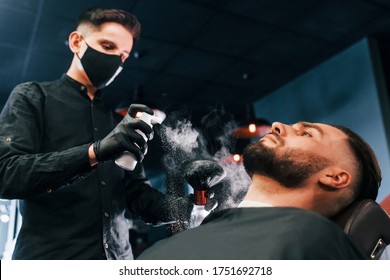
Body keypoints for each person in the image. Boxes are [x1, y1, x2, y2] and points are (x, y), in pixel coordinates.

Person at [0, 8, 192, 260]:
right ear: (77, 41)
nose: (116, 62)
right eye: (107, 46)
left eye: (123, 56)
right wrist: (95, 152)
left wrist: (182, 208)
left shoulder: (116, 121)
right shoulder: (32, 97)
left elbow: (136, 193)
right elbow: (6, 173)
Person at [137, 121, 382, 260]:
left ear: (334, 177)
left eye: (305, 133)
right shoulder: (198, 237)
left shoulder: (315, 242)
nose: (277, 125)